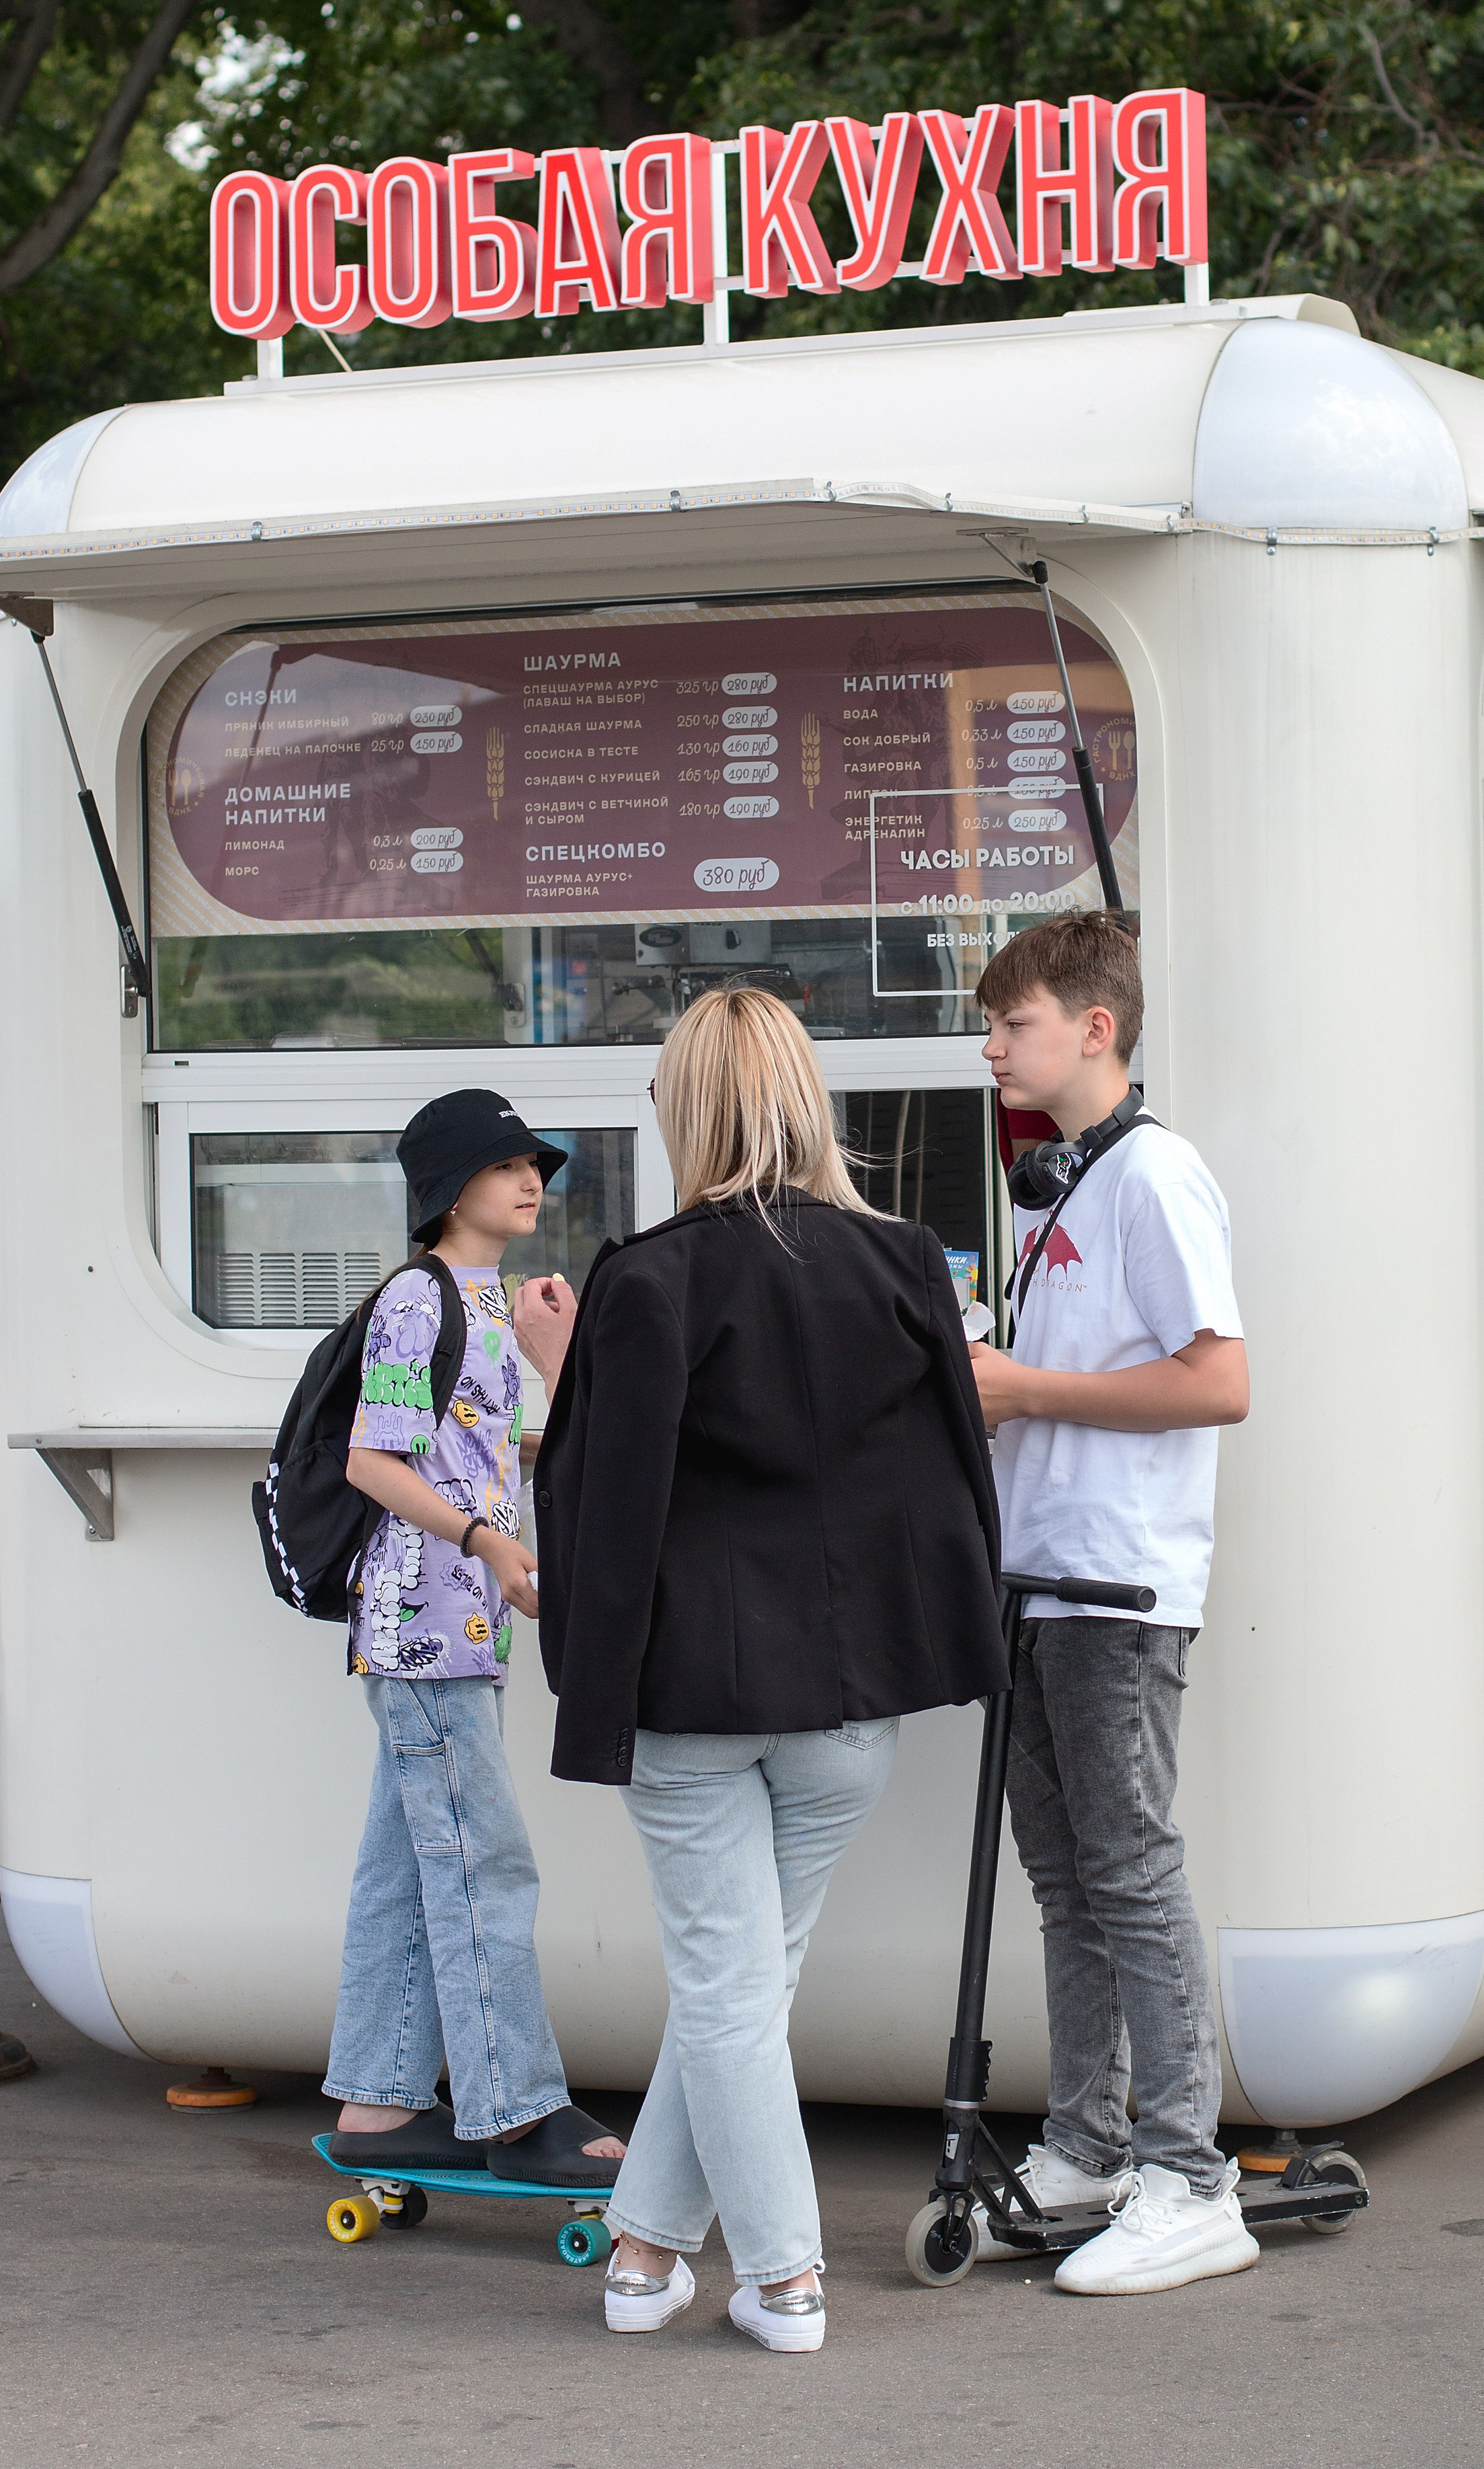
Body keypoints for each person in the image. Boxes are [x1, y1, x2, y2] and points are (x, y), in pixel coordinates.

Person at [513, 989, 1006, 2355]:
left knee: (728, 1988)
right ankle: (644, 2255)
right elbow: (949, 1479)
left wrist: (560, 1375)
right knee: (743, 1983)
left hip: (690, 1703)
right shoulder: (905, 1262)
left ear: (687, 1110)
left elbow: (606, 1510)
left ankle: (785, 2278)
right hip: (852, 1702)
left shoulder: (645, 1278)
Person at [967, 914, 1254, 2296]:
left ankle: (1191, 2179)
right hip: (1040, 1580)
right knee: (1067, 1878)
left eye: (1010, 1023)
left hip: (1118, 1584)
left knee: (1128, 1870)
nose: (989, 1047)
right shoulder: (1059, 1185)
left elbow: (1219, 1382)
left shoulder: (1155, 1174)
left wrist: (1026, 1388)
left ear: (1095, 1028)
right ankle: (1087, 2145)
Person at [321, 1088, 623, 2188]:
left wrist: (558, 1363)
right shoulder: (417, 1299)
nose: (530, 1179)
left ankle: (376, 2103)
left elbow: (480, 1450)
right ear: (451, 1188)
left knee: (409, 1866)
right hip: (423, 1629)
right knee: (484, 1865)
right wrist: (488, 1541)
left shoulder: (488, 1301)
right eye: (505, 1165)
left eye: (535, 1163)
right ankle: (515, 2109)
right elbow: (372, 1460)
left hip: (462, 1630)